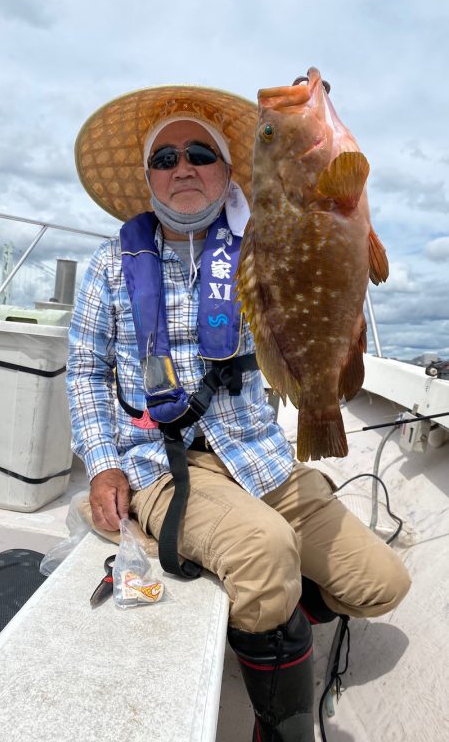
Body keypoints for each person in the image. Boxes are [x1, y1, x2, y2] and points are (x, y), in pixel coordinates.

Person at [68, 84, 411, 741]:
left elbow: (324, 252)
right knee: (265, 548)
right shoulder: (110, 267)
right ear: (149, 178)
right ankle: (277, 722)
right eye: (165, 158)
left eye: (201, 153)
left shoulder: (263, 244)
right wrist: (103, 465)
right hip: (163, 466)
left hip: (259, 457)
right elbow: (85, 373)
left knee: (383, 584)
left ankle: (261, 608)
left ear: (228, 173)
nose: (183, 166)